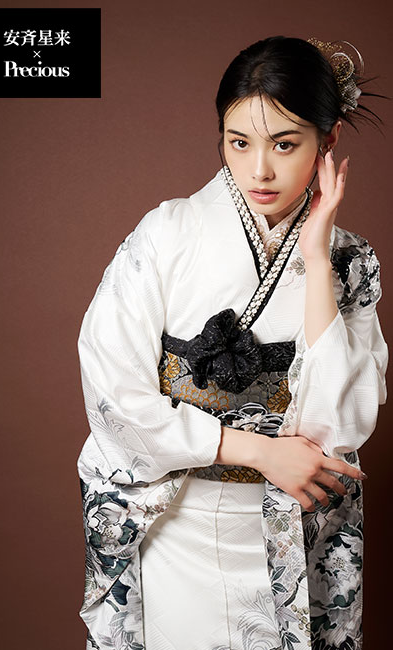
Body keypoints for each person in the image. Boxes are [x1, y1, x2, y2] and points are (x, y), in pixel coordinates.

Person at [76, 36, 388, 650]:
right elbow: (112, 389)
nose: (259, 170)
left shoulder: (348, 260)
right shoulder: (167, 234)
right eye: (239, 142)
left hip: (288, 528)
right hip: (175, 520)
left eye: (285, 144)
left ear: (327, 141)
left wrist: (316, 258)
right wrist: (258, 449)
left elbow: (341, 426)